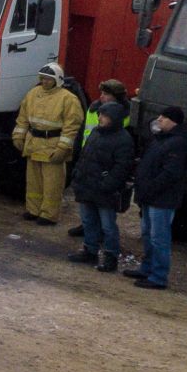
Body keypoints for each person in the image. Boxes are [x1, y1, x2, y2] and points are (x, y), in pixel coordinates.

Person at [127, 105, 187, 289]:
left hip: (162, 198)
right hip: (151, 196)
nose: (159, 119)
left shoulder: (178, 143)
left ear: (173, 121)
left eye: (164, 117)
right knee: (148, 234)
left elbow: (170, 173)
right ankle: (147, 269)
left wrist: (150, 188)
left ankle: (159, 276)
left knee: (159, 237)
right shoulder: (161, 139)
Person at [13, 62, 83, 226]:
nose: (44, 82)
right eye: (42, 78)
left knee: (52, 184)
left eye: (48, 79)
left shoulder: (68, 99)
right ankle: (33, 209)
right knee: (34, 181)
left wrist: (63, 148)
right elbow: (23, 118)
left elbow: (71, 127)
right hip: (34, 143)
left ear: (57, 80)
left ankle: (49, 215)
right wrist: (18, 135)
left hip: (52, 145)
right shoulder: (33, 93)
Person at [69, 101, 135, 270]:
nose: (100, 118)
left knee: (108, 226)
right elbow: (84, 155)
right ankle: (90, 251)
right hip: (87, 186)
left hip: (105, 191)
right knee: (88, 221)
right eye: (100, 114)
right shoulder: (96, 132)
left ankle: (111, 257)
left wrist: (107, 185)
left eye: (104, 115)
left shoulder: (123, 139)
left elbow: (122, 167)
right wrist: (77, 174)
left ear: (114, 118)